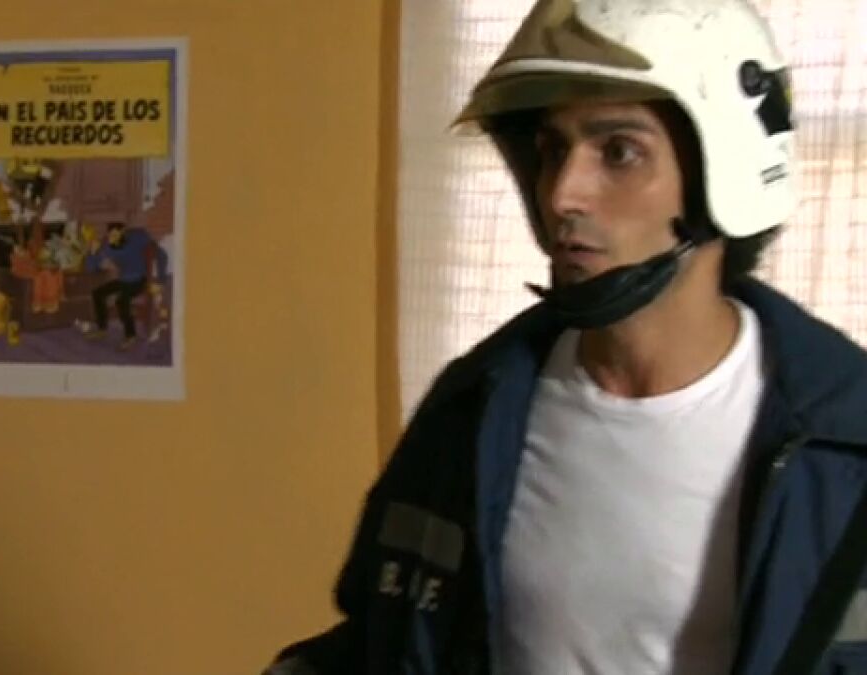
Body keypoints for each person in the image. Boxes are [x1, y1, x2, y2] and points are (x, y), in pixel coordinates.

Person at [265, 1, 867, 673]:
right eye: (553, 151)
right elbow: (386, 643)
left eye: (620, 152)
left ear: (725, 170)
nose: (561, 195)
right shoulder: (472, 409)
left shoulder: (844, 443)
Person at [83, 221, 168, 348]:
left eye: (116, 235)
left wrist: (161, 279)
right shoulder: (108, 246)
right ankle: (102, 329)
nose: (112, 239)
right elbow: (91, 268)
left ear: (123, 233)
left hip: (140, 280)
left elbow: (162, 255)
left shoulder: (138, 238)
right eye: (110, 235)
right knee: (97, 293)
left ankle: (130, 336)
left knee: (121, 300)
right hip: (123, 280)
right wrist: (92, 253)